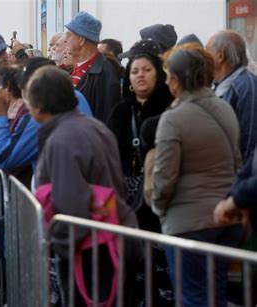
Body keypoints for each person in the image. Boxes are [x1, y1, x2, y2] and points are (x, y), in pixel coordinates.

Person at [28, 66, 137, 305]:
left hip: (89, 250)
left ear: (39, 105)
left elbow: (70, 204)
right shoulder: (94, 126)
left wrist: (60, 247)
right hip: (112, 235)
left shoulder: (62, 139)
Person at [152, 47, 243, 307]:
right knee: (216, 295)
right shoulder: (224, 108)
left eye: (169, 75)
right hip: (227, 219)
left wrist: (159, 207)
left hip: (189, 223)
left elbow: (164, 175)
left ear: (178, 80)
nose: (166, 81)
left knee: (192, 297)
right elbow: (236, 159)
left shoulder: (173, 118)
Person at [108, 39, 173, 219]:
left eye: (147, 70)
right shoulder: (120, 111)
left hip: (160, 190)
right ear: (128, 78)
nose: (140, 75)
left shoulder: (169, 107)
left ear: (158, 74)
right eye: (135, 71)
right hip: (126, 190)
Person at [207, 30, 257, 162]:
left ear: (220, 56)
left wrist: (243, 178)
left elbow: (250, 138)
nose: (203, 56)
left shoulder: (246, 85)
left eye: (207, 50)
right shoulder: (217, 85)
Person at [65, 11, 121, 122]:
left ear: (81, 40)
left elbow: (106, 120)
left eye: (69, 35)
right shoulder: (76, 69)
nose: (65, 39)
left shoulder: (105, 74)